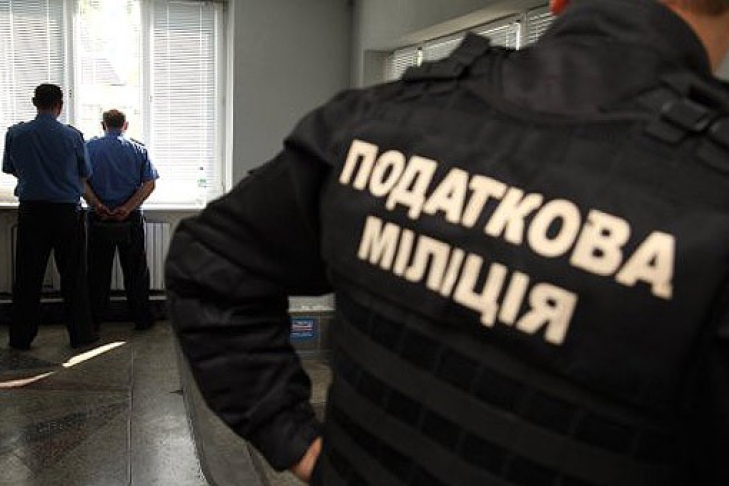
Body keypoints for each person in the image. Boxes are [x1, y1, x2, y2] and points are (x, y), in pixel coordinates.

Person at [165, 0, 729, 484]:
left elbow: (208, 259)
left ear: (558, 1)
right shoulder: (709, 194)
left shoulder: (375, 122)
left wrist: (298, 443)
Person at [2, 84, 98, 350]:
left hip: (32, 210)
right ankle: (81, 334)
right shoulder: (73, 136)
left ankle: (21, 337)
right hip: (65, 212)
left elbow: (9, 167)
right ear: (60, 105)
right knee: (73, 275)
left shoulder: (15, 133)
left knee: (28, 275)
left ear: (35, 102)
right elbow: (85, 172)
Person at [83, 109, 158, 332]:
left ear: (103, 125)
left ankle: (94, 320)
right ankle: (142, 319)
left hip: (99, 217)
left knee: (97, 272)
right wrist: (127, 208)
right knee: (136, 270)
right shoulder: (138, 149)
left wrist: (98, 205)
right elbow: (149, 184)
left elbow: (80, 181)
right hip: (130, 218)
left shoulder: (89, 148)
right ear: (125, 125)